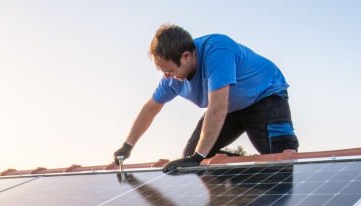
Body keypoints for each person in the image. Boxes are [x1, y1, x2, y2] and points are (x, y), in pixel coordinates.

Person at [113, 24, 299, 174]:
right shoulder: (171, 79)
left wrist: (198, 157)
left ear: (186, 56)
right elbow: (151, 109)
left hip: (264, 97)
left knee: (280, 158)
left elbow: (217, 108)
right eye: (163, 72)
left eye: (169, 70)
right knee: (192, 156)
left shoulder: (217, 50)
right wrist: (127, 146)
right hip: (231, 110)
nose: (167, 77)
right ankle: (246, 191)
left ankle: (271, 175)